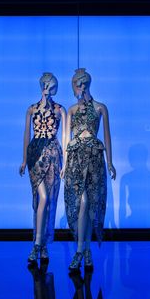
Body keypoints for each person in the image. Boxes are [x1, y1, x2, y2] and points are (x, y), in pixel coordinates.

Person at [61, 68, 116, 271]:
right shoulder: (72, 110)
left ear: (87, 84)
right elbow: (66, 137)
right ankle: (80, 250)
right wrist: (64, 163)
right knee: (81, 202)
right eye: (76, 84)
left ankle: (85, 249)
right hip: (75, 158)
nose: (79, 87)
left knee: (91, 205)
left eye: (82, 83)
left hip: (94, 157)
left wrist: (110, 162)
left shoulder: (101, 108)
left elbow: (108, 137)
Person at [19, 73, 65, 263]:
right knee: (41, 198)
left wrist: (66, 160)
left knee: (49, 201)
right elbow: (26, 135)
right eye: (50, 87)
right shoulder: (31, 109)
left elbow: (63, 137)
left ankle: (42, 244)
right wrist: (23, 160)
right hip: (35, 154)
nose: (52, 90)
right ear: (44, 86)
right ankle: (37, 244)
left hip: (53, 154)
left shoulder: (59, 110)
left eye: (54, 87)